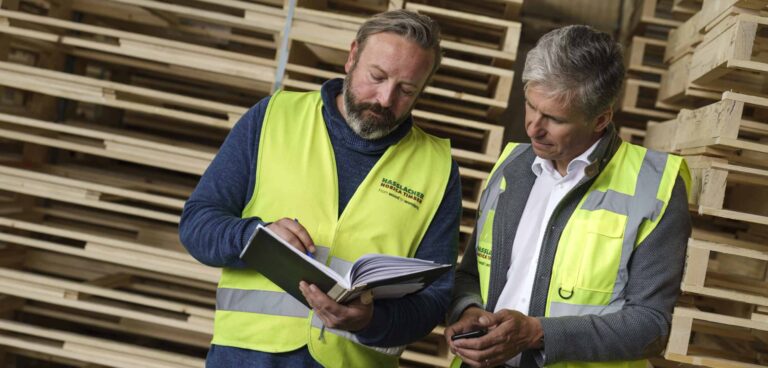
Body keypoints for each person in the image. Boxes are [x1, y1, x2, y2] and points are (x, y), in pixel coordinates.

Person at [179, 10, 461, 368]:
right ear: (352, 55)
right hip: (245, 359)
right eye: (377, 76)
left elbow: (435, 299)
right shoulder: (273, 117)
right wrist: (254, 236)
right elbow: (196, 224)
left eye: (407, 90)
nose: (385, 99)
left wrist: (371, 322)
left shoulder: (437, 168)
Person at [444, 25, 691, 368]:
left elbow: (650, 326)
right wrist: (467, 310)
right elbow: (471, 275)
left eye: (554, 119)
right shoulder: (512, 166)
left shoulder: (655, 186)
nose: (533, 126)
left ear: (601, 119)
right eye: (530, 106)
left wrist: (536, 333)